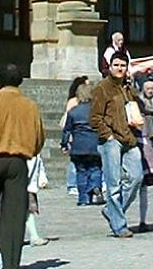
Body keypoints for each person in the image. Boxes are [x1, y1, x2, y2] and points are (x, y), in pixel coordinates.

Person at [0, 62, 45, 269]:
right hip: (19, 163)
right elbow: (38, 139)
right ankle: (11, 264)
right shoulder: (29, 105)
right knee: (14, 217)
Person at [88, 53, 142, 237]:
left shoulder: (127, 88)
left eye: (123, 65)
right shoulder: (102, 88)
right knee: (114, 184)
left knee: (136, 178)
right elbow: (95, 118)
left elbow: (137, 107)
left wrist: (134, 89)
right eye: (116, 65)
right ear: (109, 66)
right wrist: (108, 136)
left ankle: (111, 211)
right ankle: (119, 226)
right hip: (111, 140)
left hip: (129, 138)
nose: (120, 68)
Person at [60, 77, 102, 207]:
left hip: (78, 145)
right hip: (94, 144)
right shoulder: (97, 110)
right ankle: (94, 185)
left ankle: (83, 198)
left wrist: (64, 144)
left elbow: (67, 130)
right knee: (95, 168)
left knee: (81, 171)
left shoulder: (73, 112)